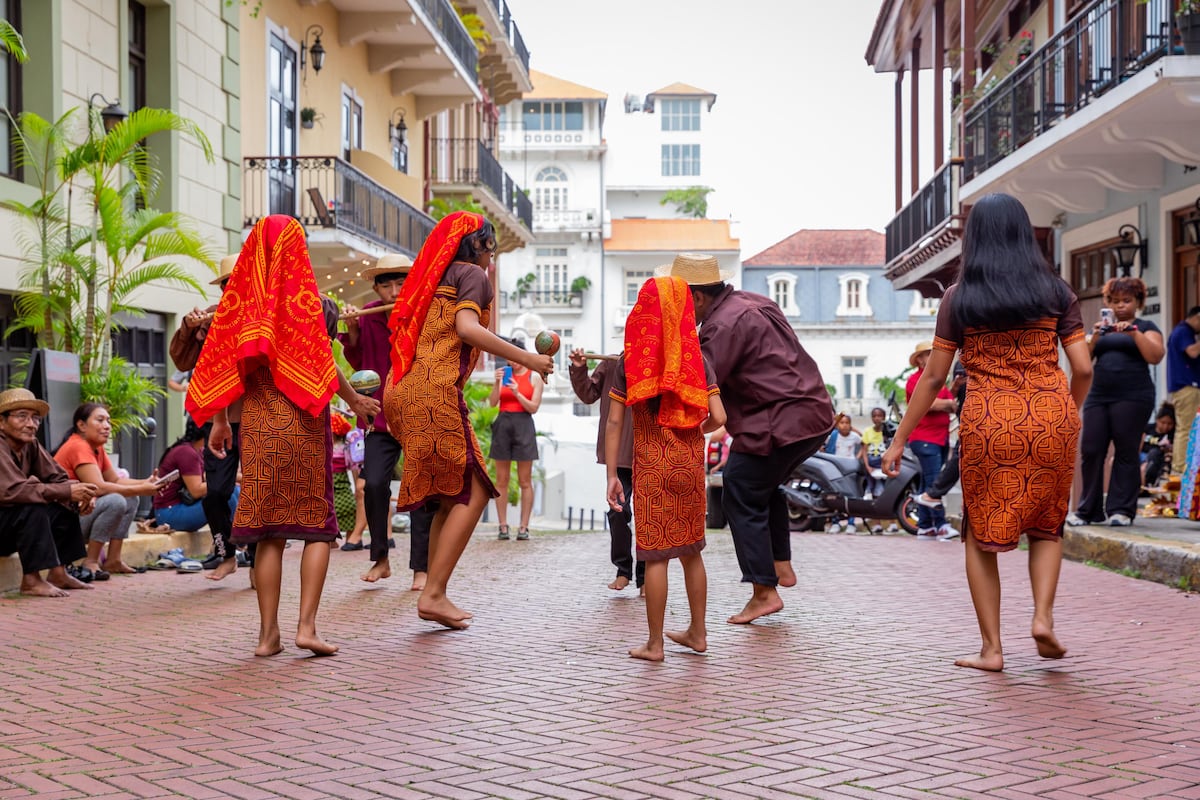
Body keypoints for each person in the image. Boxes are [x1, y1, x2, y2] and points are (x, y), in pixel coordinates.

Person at [883, 192, 1093, 672]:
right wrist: (1068, 412)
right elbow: (1081, 367)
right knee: (1046, 526)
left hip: (989, 420)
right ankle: (1042, 619)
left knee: (980, 533)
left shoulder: (961, 298)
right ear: (1025, 234)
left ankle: (992, 649)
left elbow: (934, 377)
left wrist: (899, 439)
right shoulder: (1057, 292)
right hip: (1051, 415)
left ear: (974, 239)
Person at [186, 214, 379, 657]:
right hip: (304, 426)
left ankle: (266, 636)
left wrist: (218, 422)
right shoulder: (307, 302)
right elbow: (322, 366)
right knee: (316, 531)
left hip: (257, 428)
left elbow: (224, 370)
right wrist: (353, 400)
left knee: (268, 533)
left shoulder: (238, 308)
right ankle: (306, 628)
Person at [382, 211, 553, 630]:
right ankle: (434, 593)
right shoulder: (471, 276)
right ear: (477, 246)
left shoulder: (433, 280)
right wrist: (527, 357)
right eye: (491, 248)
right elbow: (467, 327)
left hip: (401, 392)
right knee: (477, 490)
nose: (491, 259)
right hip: (433, 391)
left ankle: (433, 591)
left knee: (454, 492)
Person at [661, 252, 834, 625]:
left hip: (779, 420)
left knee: (739, 485)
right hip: (812, 412)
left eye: (680, 301)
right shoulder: (756, 301)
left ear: (698, 298)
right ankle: (779, 566)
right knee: (762, 485)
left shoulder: (721, 326)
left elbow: (701, 383)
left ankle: (764, 591)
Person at [606, 275, 726, 661]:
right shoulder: (697, 358)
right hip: (689, 465)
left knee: (655, 554)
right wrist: (694, 430)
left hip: (652, 466)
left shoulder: (632, 358)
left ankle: (655, 643)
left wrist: (612, 473)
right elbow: (719, 416)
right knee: (691, 552)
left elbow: (613, 422)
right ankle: (698, 632)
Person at [339, 253, 434, 591]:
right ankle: (380, 558)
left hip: (417, 414)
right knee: (374, 485)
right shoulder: (365, 315)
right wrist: (350, 330)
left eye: (400, 284)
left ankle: (421, 568)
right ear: (376, 287)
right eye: (387, 285)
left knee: (419, 490)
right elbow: (358, 362)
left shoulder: (423, 313)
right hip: (380, 417)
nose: (394, 292)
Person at [170, 254, 247, 580]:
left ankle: (256, 559)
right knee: (215, 491)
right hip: (217, 419)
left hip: (259, 417)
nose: (235, 291)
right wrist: (188, 329)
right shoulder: (209, 318)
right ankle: (225, 553)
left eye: (241, 284)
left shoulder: (269, 315)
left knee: (256, 493)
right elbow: (182, 361)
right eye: (228, 285)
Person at [1068, 277, 1164, 527]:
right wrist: (1095, 337)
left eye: (1127, 301)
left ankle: (1121, 510)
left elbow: (1155, 355)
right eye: (1115, 301)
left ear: (1138, 302)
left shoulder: (1146, 326)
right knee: (1091, 449)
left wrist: (1133, 334)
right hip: (1099, 394)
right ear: (1107, 302)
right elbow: (1082, 361)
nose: (1121, 306)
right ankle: (1087, 510)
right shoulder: (1100, 328)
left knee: (1126, 449)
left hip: (1134, 395)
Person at [0, 389, 98, 597]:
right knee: (31, 504)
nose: (31, 424)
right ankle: (31, 581)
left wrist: (80, 495)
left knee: (61, 502)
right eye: (21, 416)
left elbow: (58, 478)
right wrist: (67, 490)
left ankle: (59, 573)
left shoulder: (30, 444)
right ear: (1, 422)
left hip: (9, 526)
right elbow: (12, 491)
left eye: (35, 418)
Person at [53, 403, 161, 578]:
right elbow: (99, 488)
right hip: (65, 525)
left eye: (108, 421)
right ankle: (91, 561)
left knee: (131, 499)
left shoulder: (96, 448)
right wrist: (142, 488)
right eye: (100, 420)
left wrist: (146, 482)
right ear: (81, 425)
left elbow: (115, 480)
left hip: (82, 515)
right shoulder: (78, 446)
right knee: (116, 500)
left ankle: (113, 559)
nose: (107, 426)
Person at [569, 347, 644, 592]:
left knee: (648, 515)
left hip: (650, 450)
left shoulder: (659, 360)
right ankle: (624, 570)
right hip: (620, 452)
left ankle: (645, 578)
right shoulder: (614, 362)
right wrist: (580, 368)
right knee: (618, 511)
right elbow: (589, 394)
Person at [489, 338, 544, 541]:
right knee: (501, 480)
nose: (514, 362)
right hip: (503, 423)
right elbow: (493, 402)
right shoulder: (504, 375)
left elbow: (534, 407)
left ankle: (524, 527)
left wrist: (517, 393)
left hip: (524, 423)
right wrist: (497, 383)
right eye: (510, 359)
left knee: (525, 480)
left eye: (517, 358)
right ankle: (503, 526)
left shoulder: (534, 377)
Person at [906, 341, 957, 539]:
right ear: (919, 359)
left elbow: (947, 400)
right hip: (925, 437)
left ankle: (925, 526)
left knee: (927, 482)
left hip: (939, 438)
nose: (932, 357)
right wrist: (948, 404)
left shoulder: (938, 380)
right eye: (928, 354)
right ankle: (942, 524)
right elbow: (930, 403)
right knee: (935, 480)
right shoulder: (915, 380)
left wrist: (952, 393)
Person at [153, 417, 239, 534]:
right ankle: (234, 543)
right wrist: (229, 479)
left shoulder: (197, 450)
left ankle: (237, 541)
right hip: (169, 513)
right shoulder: (186, 452)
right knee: (227, 495)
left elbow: (205, 477)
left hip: (180, 507)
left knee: (234, 490)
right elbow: (196, 490)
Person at [1166, 306, 1200, 475]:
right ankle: (1180, 469)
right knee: (1187, 428)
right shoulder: (1183, 332)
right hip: (1187, 387)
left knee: (1188, 427)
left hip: (1185, 387)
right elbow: (1193, 352)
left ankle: (1184, 467)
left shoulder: (1182, 332)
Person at [1141, 405, 1175, 488]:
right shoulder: (1148, 428)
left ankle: (1148, 484)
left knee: (1154, 453)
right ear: (1157, 420)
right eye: (1163, 422)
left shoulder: (1172, 434)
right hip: (1142, 456)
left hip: (1157, 460)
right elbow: (1139, 444)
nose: (1165, 426)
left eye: (1170, 424)